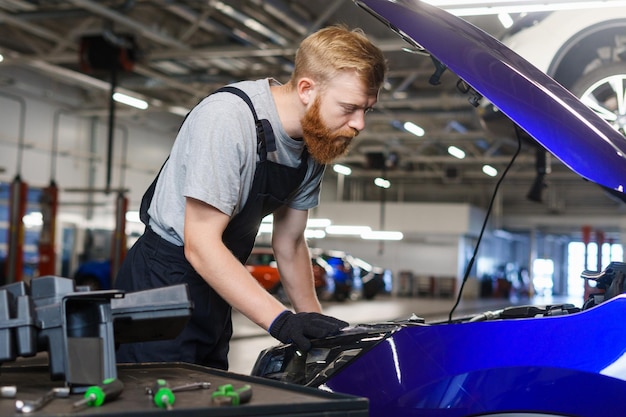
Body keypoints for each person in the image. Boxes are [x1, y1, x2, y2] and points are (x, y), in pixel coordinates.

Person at [113, 25, 388, 370]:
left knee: (209, 394)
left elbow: (289, 243)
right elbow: (200, 244)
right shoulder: (228, 119)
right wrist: (282, 321)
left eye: (367, 110)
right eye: (349, 107)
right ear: (306, 89)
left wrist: (319, 331)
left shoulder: (314, 145)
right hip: (162, 282)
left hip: (219, 283)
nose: (359, 123)